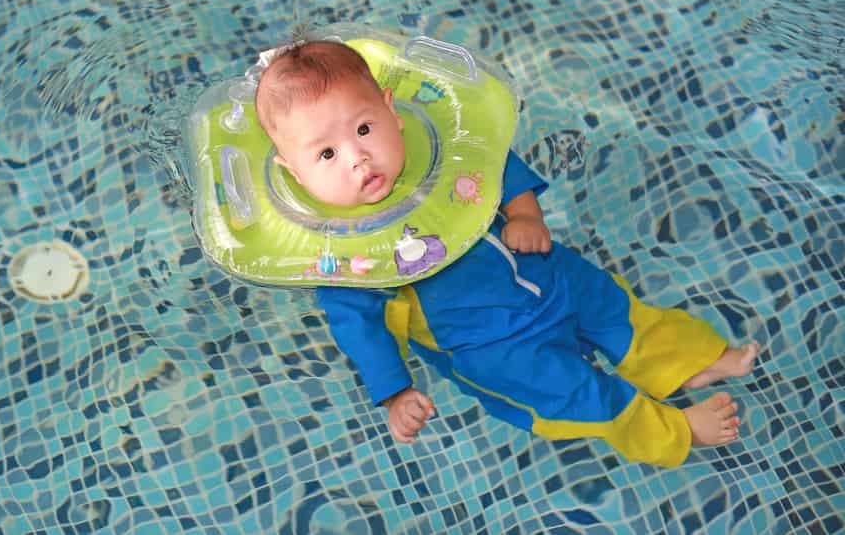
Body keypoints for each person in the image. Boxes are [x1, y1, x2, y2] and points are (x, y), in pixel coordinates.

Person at [253, 39, 760, 467]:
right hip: (495, 347)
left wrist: (525, 215)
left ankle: (689, 364)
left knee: (619, 311)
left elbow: (493, 161)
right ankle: (675, 431)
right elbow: (360, 327)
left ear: (391, 109)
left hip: (545, 273)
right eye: (326, 154)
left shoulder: (437, 154)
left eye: (364, 129)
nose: (357, 157)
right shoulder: (339, 254)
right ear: (294, 172)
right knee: (579, 394)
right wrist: (396, 392)